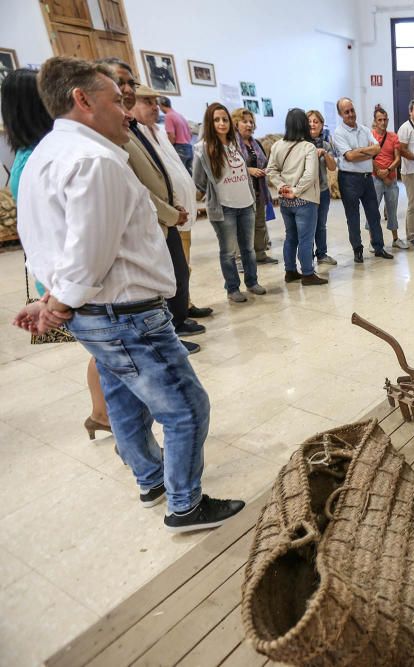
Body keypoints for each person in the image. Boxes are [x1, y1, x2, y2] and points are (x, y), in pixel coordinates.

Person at [14, 55, 244, 532]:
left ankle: (150, 476)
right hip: (124, 311)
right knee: (186, 408)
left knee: (122, 396)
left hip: (97, 313)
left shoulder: (44, 154)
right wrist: (57, 304)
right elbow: (87, 252)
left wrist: (52, 298)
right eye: (116, 100)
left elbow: (46, 241)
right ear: (81, 100)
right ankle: (185, 505)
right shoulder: (93, 161)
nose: (127, 111)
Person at [2, 66, 113, 440]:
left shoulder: (41, 151)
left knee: (107, 352)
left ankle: (102, 412)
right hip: (66, 273)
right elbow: (64, 230)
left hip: (66, 273)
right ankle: (102, 412)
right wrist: (59, 297)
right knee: (107, 352)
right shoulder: (39, 157)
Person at [124, 82, 206, 344]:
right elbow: (143, 184)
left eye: (156, 101)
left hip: (176, 212)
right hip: (161, 217)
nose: (154, 107)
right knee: (170, 274)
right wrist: (170, 212)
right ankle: (174, 324)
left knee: (182, 269)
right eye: (147, 102)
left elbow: (168, 170)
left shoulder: (155, 130)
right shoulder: (130, 136)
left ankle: (183, 311)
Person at [193, 103, 265, 302]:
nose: (222, 123)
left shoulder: (235, 144)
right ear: (210, 122)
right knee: (228, 251)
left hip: (246, 204)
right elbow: (199, 180)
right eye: (217, 120)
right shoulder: (202, 149)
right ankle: (232, 287)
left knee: (248, 249)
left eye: (224, 119)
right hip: (225, 207)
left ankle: (252, 282)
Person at [266, 108, 327, 285]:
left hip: (286, 201)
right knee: (306, 238)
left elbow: (271, 169)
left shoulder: (277, 145)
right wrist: (296, 190)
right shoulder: (309, 147)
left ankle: (290, 271)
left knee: (290, 236)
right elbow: (310, 175)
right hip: (305, 200)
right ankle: (308, 273)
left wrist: (282, 186)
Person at [332, 97, 394, 264]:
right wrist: (366, 152)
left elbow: (377, 149)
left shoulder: (365, 130)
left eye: (352, 110)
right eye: (346, 112)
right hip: (349, 180)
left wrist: (358, 152)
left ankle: (379, 247)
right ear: (340, 114)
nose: (351, 114)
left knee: (374, 214)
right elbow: (350, 157)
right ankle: (357, 250)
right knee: (353, 217)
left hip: (367, 179)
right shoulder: (338, 133)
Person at [232, 107, 278, 265]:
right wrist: (248, 170)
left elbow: (264, 162)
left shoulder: (255, 143)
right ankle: (241, 259)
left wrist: (266, 170)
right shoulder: (232, 144)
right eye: (244, 121)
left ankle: (260, 253)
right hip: (241, 192)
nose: (249, 125)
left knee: (259, 224)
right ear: (236, 123)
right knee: (243, 227)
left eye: (251, 122)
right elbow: (229, 167)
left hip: (259, 190)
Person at [306, 110, 338, 267]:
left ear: (321, 125)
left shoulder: (326, 144)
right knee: (308, 226)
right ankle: (307, 258)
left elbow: (332, 167)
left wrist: (325, 154)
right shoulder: (301, 144)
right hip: (306, 192)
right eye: (309, 121)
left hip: (323, 190)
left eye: (316, 121)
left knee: (321, 224)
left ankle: (322, 254)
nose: (312, 124)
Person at [371, 105, 405, 248]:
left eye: (385, 119)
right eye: (380, 120)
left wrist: (388, 170)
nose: (383, 122)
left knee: (392, 209)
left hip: (391, 178)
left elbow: (398, 158)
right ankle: (374, 241)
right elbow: (368, 157)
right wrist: (380, 172)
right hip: (375, 178)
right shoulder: (370, 136)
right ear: (375, 121)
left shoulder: (393, 137)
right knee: (372, 210)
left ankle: (395, 239)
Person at [396, 98, 414, 247]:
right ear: (410, 112)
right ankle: (411, 236)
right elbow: (401, 149)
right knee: (413, 204)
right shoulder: (405, 128)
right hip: (409, 171)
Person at [159, 96, 193, 172]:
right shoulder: (179, 115)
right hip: (189, 147)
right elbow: (190, 134)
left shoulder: (168, 116)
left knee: (180, 173)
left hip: (179, 148)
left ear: (161, 105)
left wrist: (167, 148)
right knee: (189, 174)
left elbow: (172, 136)